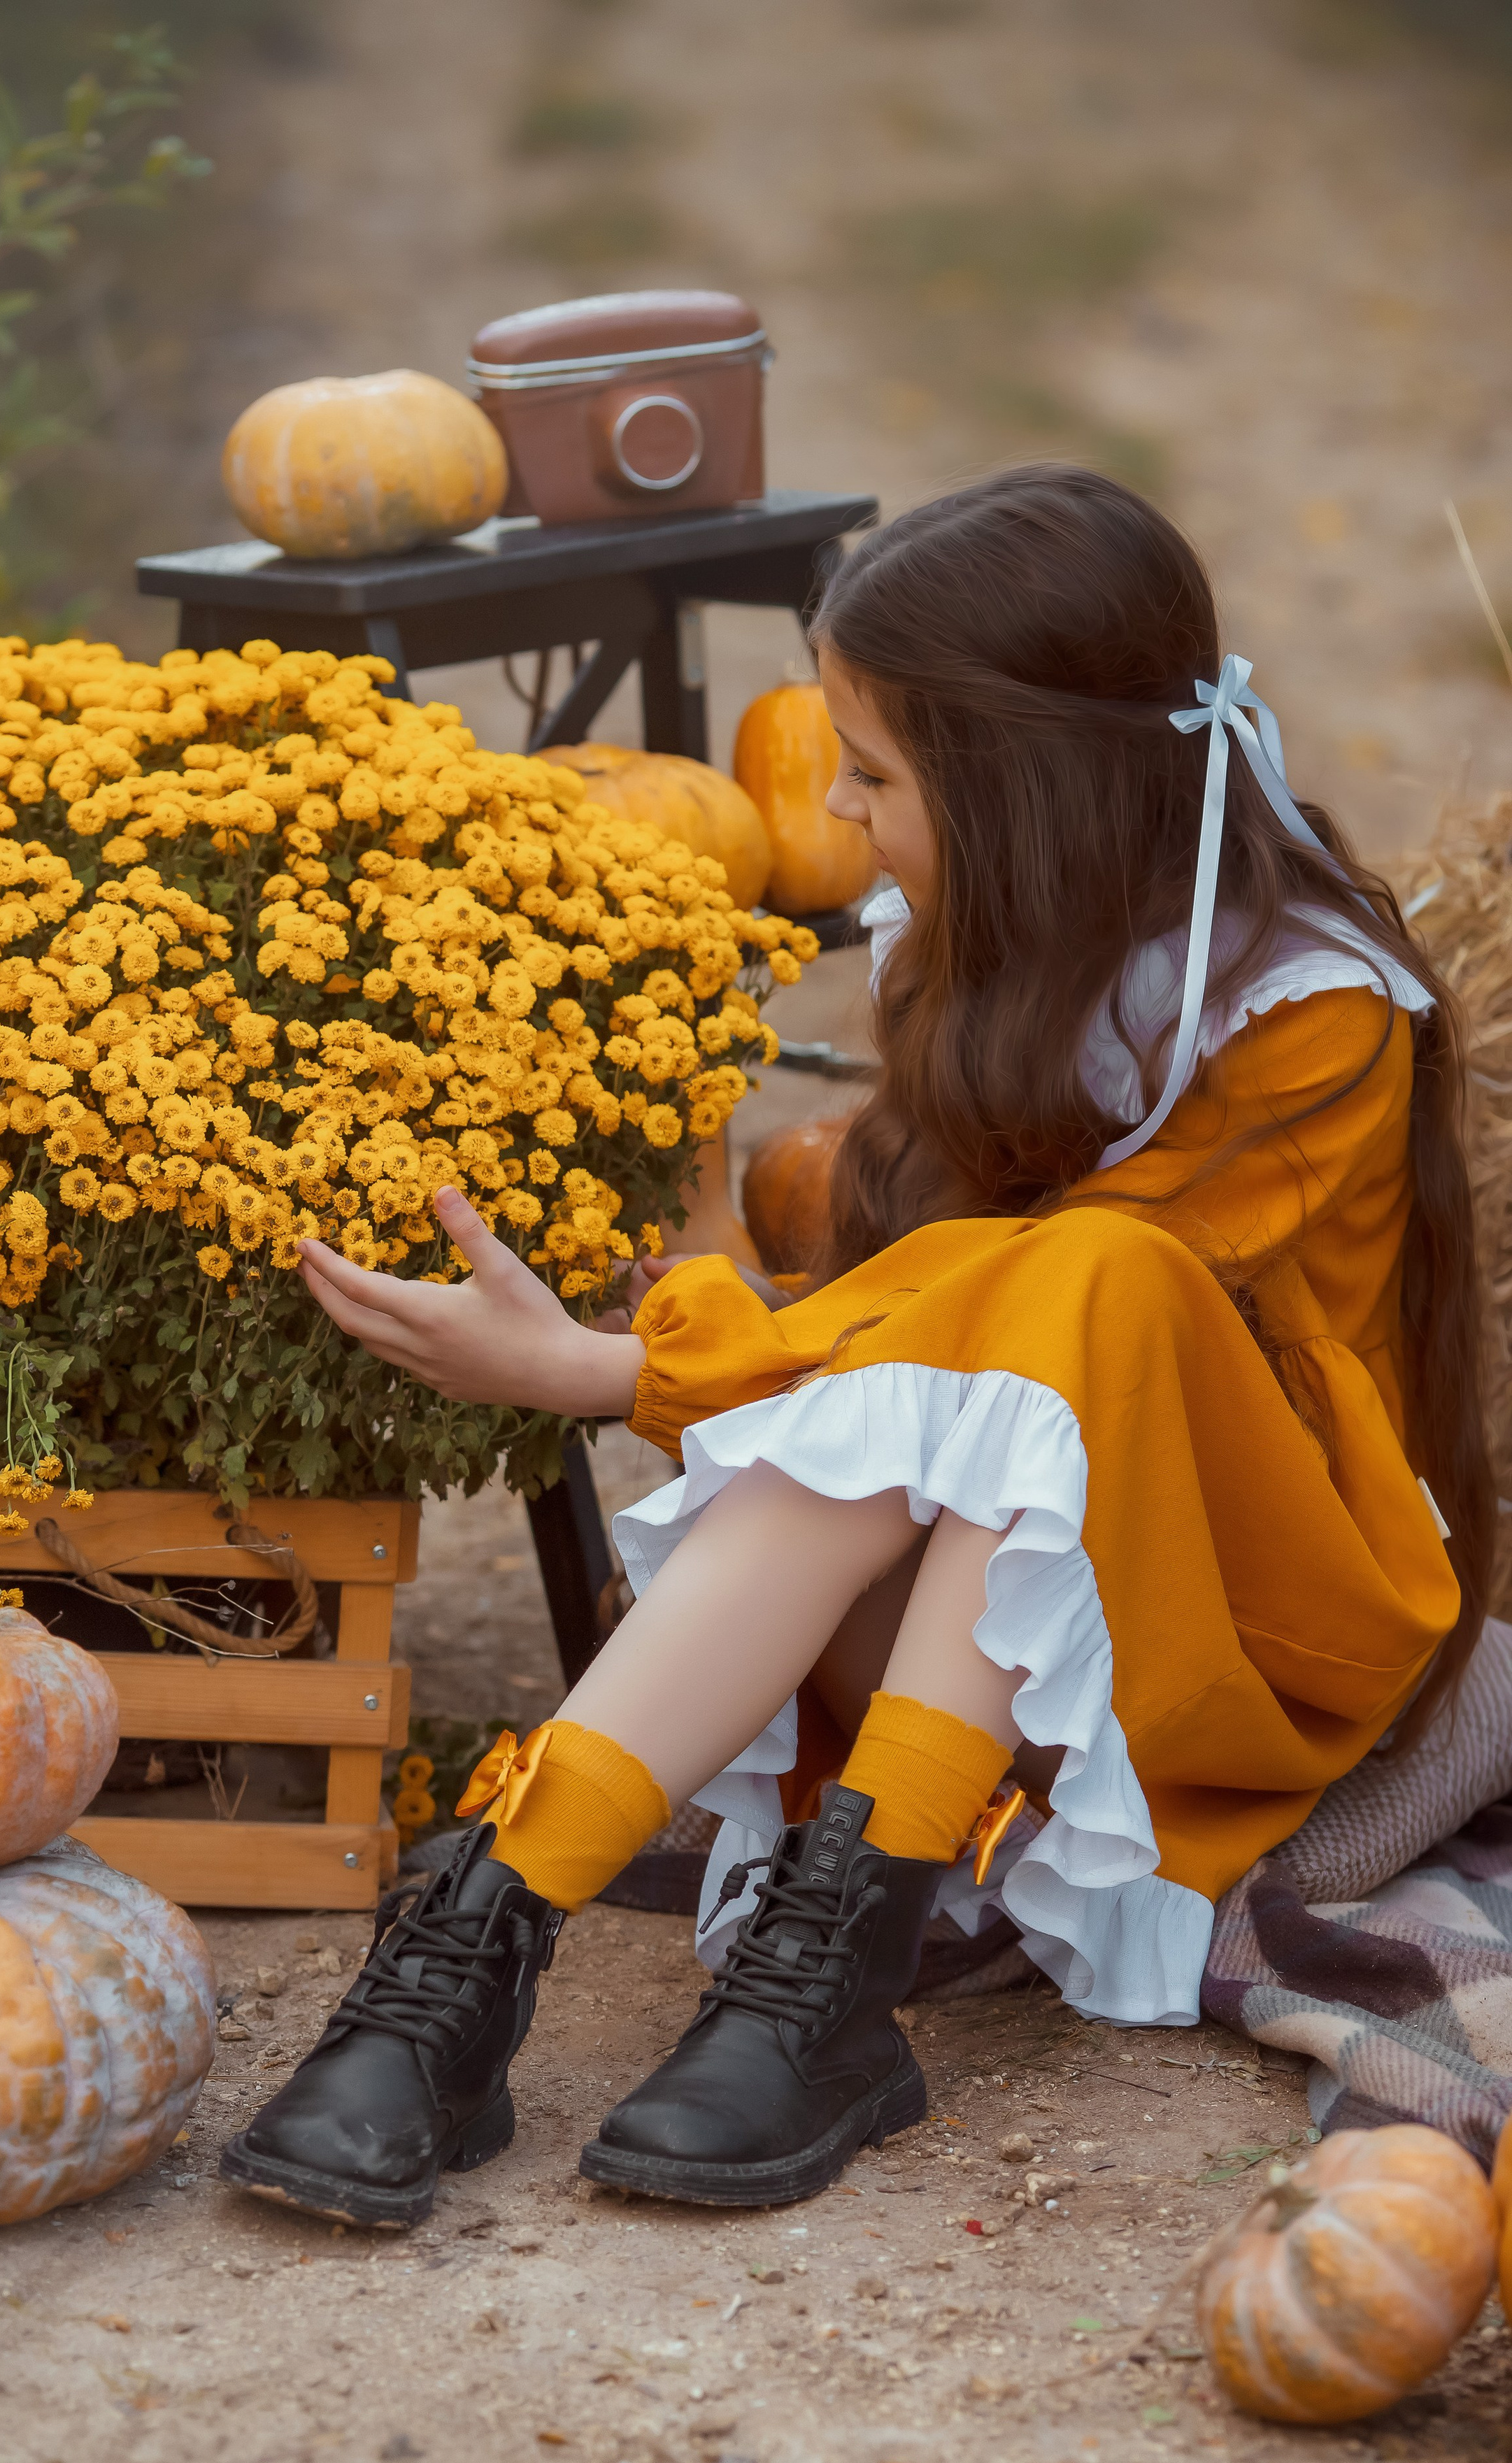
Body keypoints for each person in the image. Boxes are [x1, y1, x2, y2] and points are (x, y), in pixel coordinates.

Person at [220, 466, 1486, 2232]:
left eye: (873, 778)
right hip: (997, 1650)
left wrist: (620, 1373)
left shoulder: (1315, 1016)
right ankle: (487, 1935)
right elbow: (939, 1356)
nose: (833, 810)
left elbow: (1073, 1327)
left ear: (1022, 791)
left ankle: (833, 1958)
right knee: (905, 1390)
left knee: (1091, 1286)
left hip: (1244, 1631)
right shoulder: (993, 956)